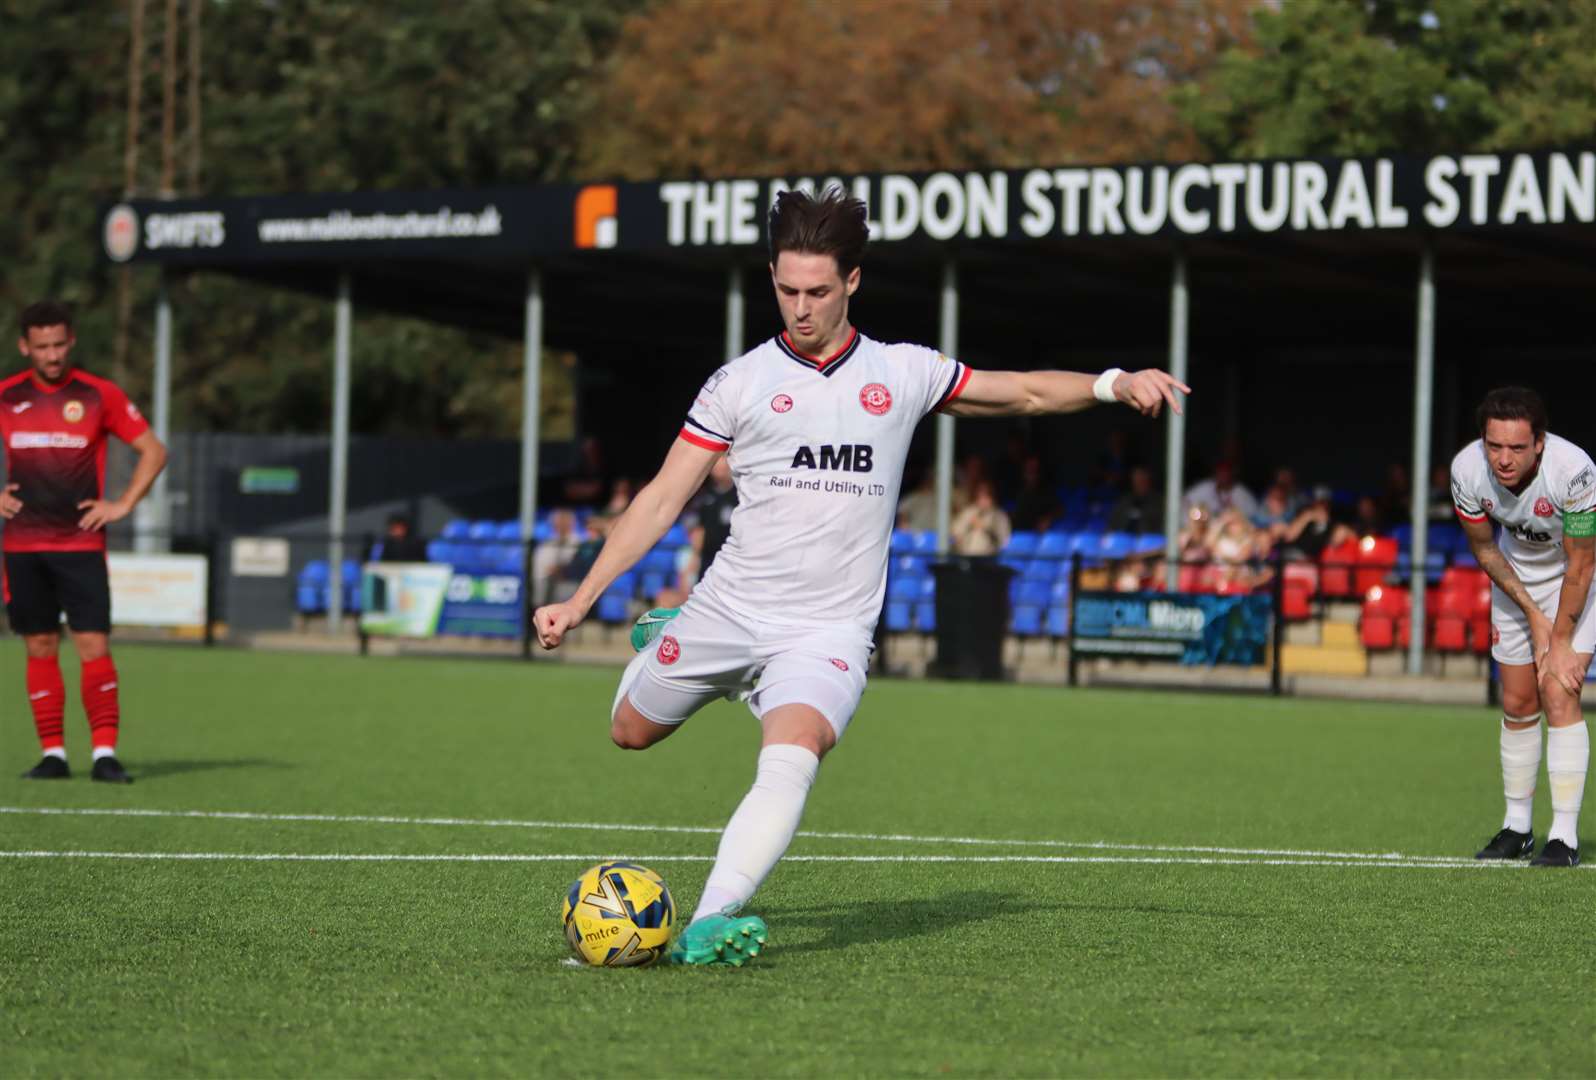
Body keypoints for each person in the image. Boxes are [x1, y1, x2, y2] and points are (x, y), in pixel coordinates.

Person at [532, 187, 1189, 966]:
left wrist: (1113, 383)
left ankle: (712, 916)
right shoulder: (738, 383)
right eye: (786, 291)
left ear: (852, 282)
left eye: (816, 291)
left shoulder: (903, 373)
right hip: (730, 606)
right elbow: (660, 500)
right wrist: (580, 600)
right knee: (629, 732)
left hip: (828, 628)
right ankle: (671, 636)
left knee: (796, 748)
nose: (800, 308)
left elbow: (1025, 391)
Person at [1, 300, 167, 783]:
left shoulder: (100, 394)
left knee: (92, 643)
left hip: (80, 545)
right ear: (24, 346)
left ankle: (103, 754)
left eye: (59, 345)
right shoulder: (8, 394)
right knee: (39, 644)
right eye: (42, 346)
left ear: (72, 341)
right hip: (23, 546)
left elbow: (154, 451)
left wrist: (123, 504)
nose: (52, 356)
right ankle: (52, 754)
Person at [1452, 387, 1590, 867]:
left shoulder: (1575, 471)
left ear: (1540, 443)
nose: (1503, 459)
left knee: (1557, 690)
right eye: (1494, 446)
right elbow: (1486, 550)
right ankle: (1517, 828)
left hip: (1580, 578)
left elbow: (1581, 565)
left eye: (1516, 448)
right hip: (1518, 577)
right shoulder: (1466, 471)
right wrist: (1533, 614)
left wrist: (1559, 638)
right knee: (1516, 700)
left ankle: (1565, 837)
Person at [693, 456, 737, 573]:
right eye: (715, 465)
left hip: (732, 558)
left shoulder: (740, 495)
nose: (718, 468)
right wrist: (695, 556)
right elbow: (700, 529)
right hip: (707, 559)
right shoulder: (705, 496)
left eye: (722, 465)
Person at [530, 508, 581, 606]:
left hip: (570, 590)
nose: (562, 524)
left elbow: (578, 567)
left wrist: (563, 569)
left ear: (572, 523)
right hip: (545, 590)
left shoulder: (579, 543)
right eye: (559, 520)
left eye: (565, 520)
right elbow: (538, 570)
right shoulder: (546, 544)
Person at [950, 480, 1012, 556]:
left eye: (986, 496)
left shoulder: (999, 516)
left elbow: (1004, 542)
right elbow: (955, 534)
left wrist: (985, 528)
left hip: (989, 558)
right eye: (980, 496)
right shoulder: (968, 512)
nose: (982, 500)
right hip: (966, 556)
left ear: (992, 497)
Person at [1183, 460, 1258, 521]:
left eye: (1225, 473)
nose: (1222, 476)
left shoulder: (1241, 493)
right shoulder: (1206, 487)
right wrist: (1199, 514)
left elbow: (1253, 516)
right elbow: (1186, 501)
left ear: (1231, 474)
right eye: (1220, 473)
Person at [1106, 465, 1165, 535]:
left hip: (1149, 542)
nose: (1139, 483)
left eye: (1142, 480)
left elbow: (1162, 528)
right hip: (1124, 541)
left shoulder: (1158, 502)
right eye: (1137, 480)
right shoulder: (1124, 501)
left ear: (1148, 480)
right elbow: (1112, 526)